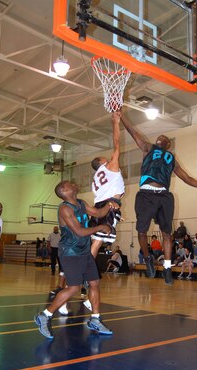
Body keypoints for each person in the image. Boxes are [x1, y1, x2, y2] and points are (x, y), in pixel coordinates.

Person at [120, 112, 197, 284]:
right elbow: (132, 131)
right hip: (146, 193)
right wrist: (121, 114)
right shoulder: (147, 147)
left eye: (164, 138)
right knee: (141, 231)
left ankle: (167, 267)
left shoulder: (171, 159)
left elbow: (187, 178)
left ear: (168, 145)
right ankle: (147, 259)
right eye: (159, 137)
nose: (161, 137)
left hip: (164, 196)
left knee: (167, 233)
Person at [34, 180, 118, 339]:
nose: (74, 183)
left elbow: (98, 213)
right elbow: (79, 232)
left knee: (94, 283)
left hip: (84, 252)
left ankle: (95, 319)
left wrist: (110, 204)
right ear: (65, 190)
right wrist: (100, 227)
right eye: (70, 183)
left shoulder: (81, 203)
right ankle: (45, 315)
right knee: (74, 288)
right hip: (70, 253)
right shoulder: (65, 208)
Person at [83, 111, 124, 311]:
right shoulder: (109, 167)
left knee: (96, 244)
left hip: (102, 205)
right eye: (104, 158)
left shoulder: (96, 178)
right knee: (96, 245)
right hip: (107, 206)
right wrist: (115, 122)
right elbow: (117, 144)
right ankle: (85, 275)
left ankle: (86, 283)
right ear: (101, 163)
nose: (108, 158)